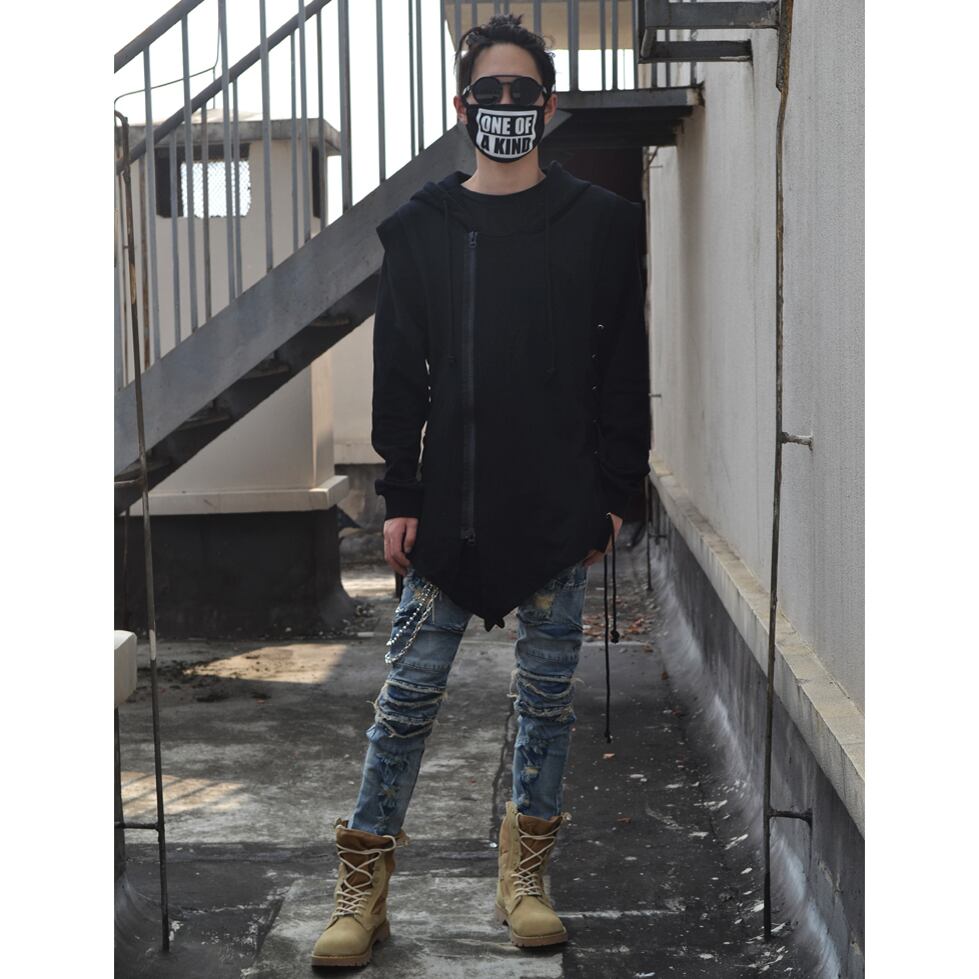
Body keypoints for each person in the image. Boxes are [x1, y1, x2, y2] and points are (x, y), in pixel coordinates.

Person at [312, 13, 651, 968]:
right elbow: (399, 374)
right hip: (449, 510)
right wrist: (401, 493)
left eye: (522, 91)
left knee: (546, 702)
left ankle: (526, 881)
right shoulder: (423, 229)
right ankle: (361, 892)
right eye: (489, 91)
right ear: (462, 108)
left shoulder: (600, 225)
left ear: (549, 104)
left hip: (558, 510)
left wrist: (615, 493)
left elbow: (622, 366)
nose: (506, 104)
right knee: (405, 699)